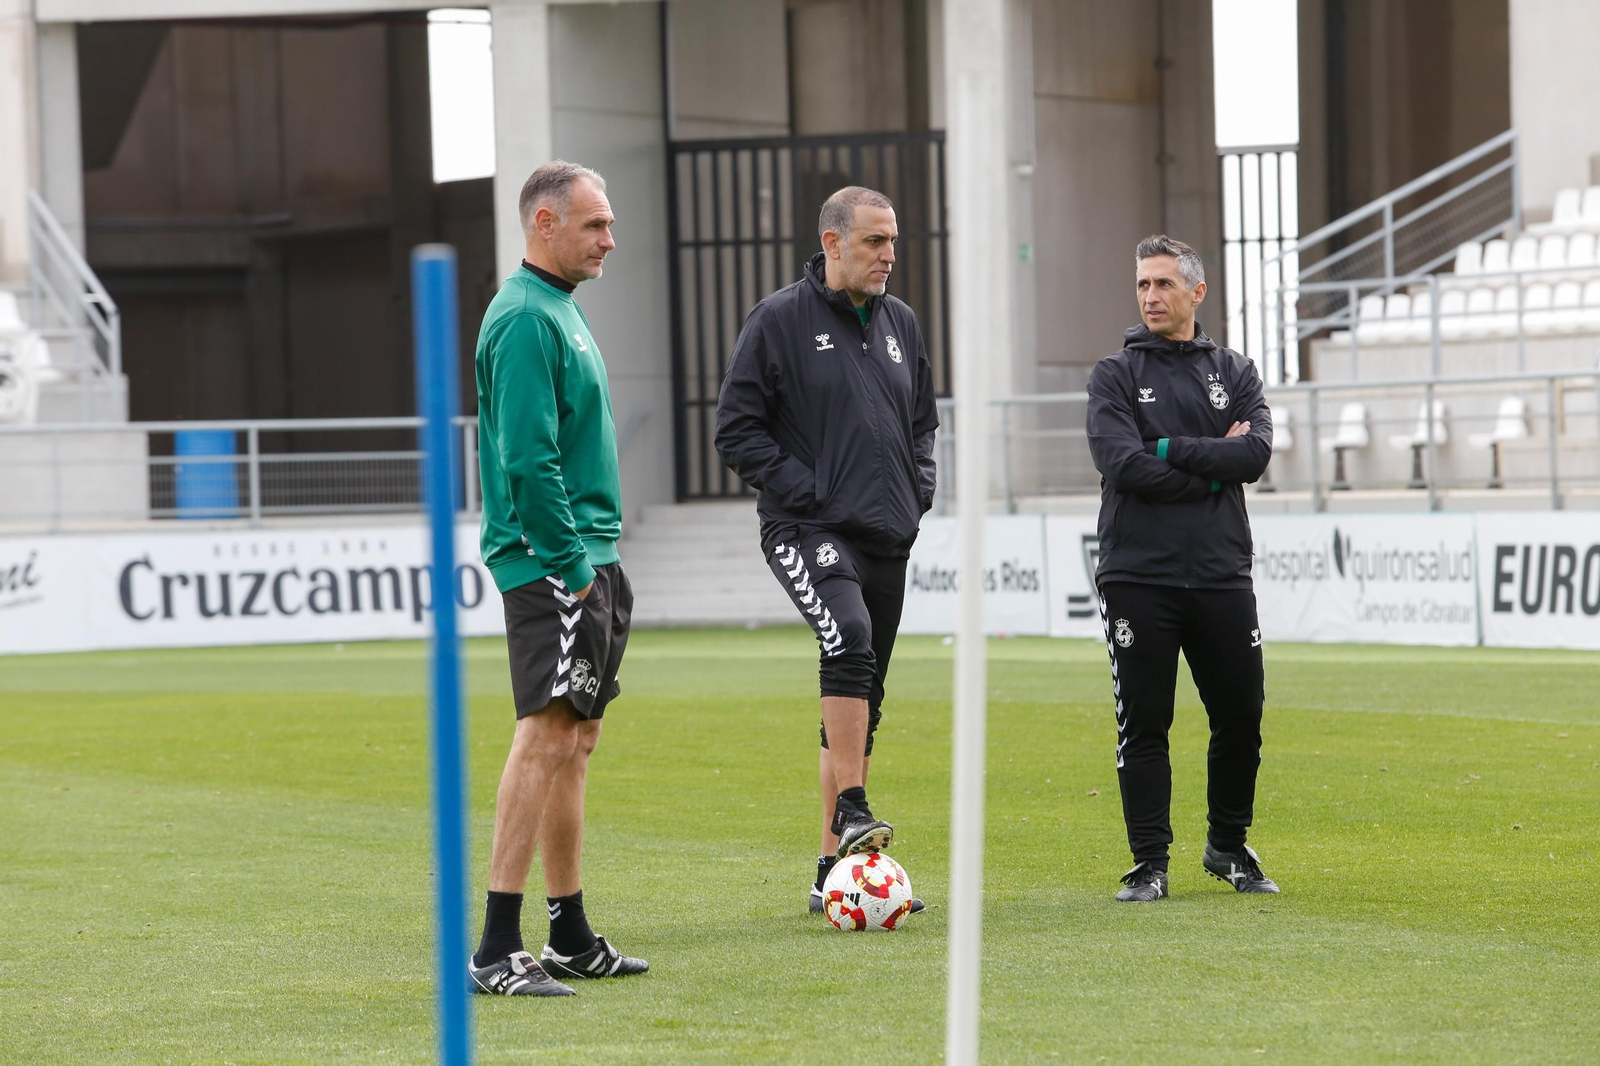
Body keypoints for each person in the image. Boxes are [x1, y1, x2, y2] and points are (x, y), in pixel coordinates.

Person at [715, 186, 937, 916]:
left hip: (888, 534)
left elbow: (923, 424)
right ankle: (854, 806)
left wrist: (918, 490)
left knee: (862, 695)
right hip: (806, 529)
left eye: (894, 240)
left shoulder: (901, 321)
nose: (889, 255)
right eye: (875, 241)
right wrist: (807, 492)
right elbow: (736, 430)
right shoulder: (779, 320)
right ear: (834, 243)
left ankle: (830, 871)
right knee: (850, 639)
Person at [467, 160, 648, 995]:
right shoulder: (522, 319)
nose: (609, 239)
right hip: (552, 561)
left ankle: (568, 931)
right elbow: (528, 459)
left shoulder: (561, 313)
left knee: (576, 739)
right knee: (543, 736)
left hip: (591, 554)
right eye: (594, 225)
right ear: (544, 224)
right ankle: (497, 948)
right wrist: (574, 566)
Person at [1085, 234, 1279, 903]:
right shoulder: (1114, 374)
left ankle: (1227, 846)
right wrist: (1206, 469)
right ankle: (1149, 863)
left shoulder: (1237, 370)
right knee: (1144, 722)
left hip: (1223, 572)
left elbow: (1252, 457)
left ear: (1197, 291)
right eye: (1143, 284)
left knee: (1241, 714)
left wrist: (1167, 447)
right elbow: (1123, 464)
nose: (1150, 296)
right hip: (1139, 574)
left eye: (1164, 284)